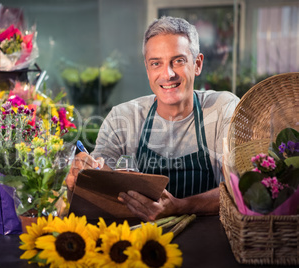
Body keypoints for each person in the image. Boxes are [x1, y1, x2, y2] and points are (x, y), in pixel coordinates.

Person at [66, 16, 240, 222]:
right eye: (156, 63)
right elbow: (99, 179)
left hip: (208, 242)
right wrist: (83, 173)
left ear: (197, 64)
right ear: (147, 69)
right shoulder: (123, 117)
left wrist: (181, 206)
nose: (167, 74)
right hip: (140, 245)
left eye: (178, 61)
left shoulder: (223, 108)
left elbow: (240, 188)